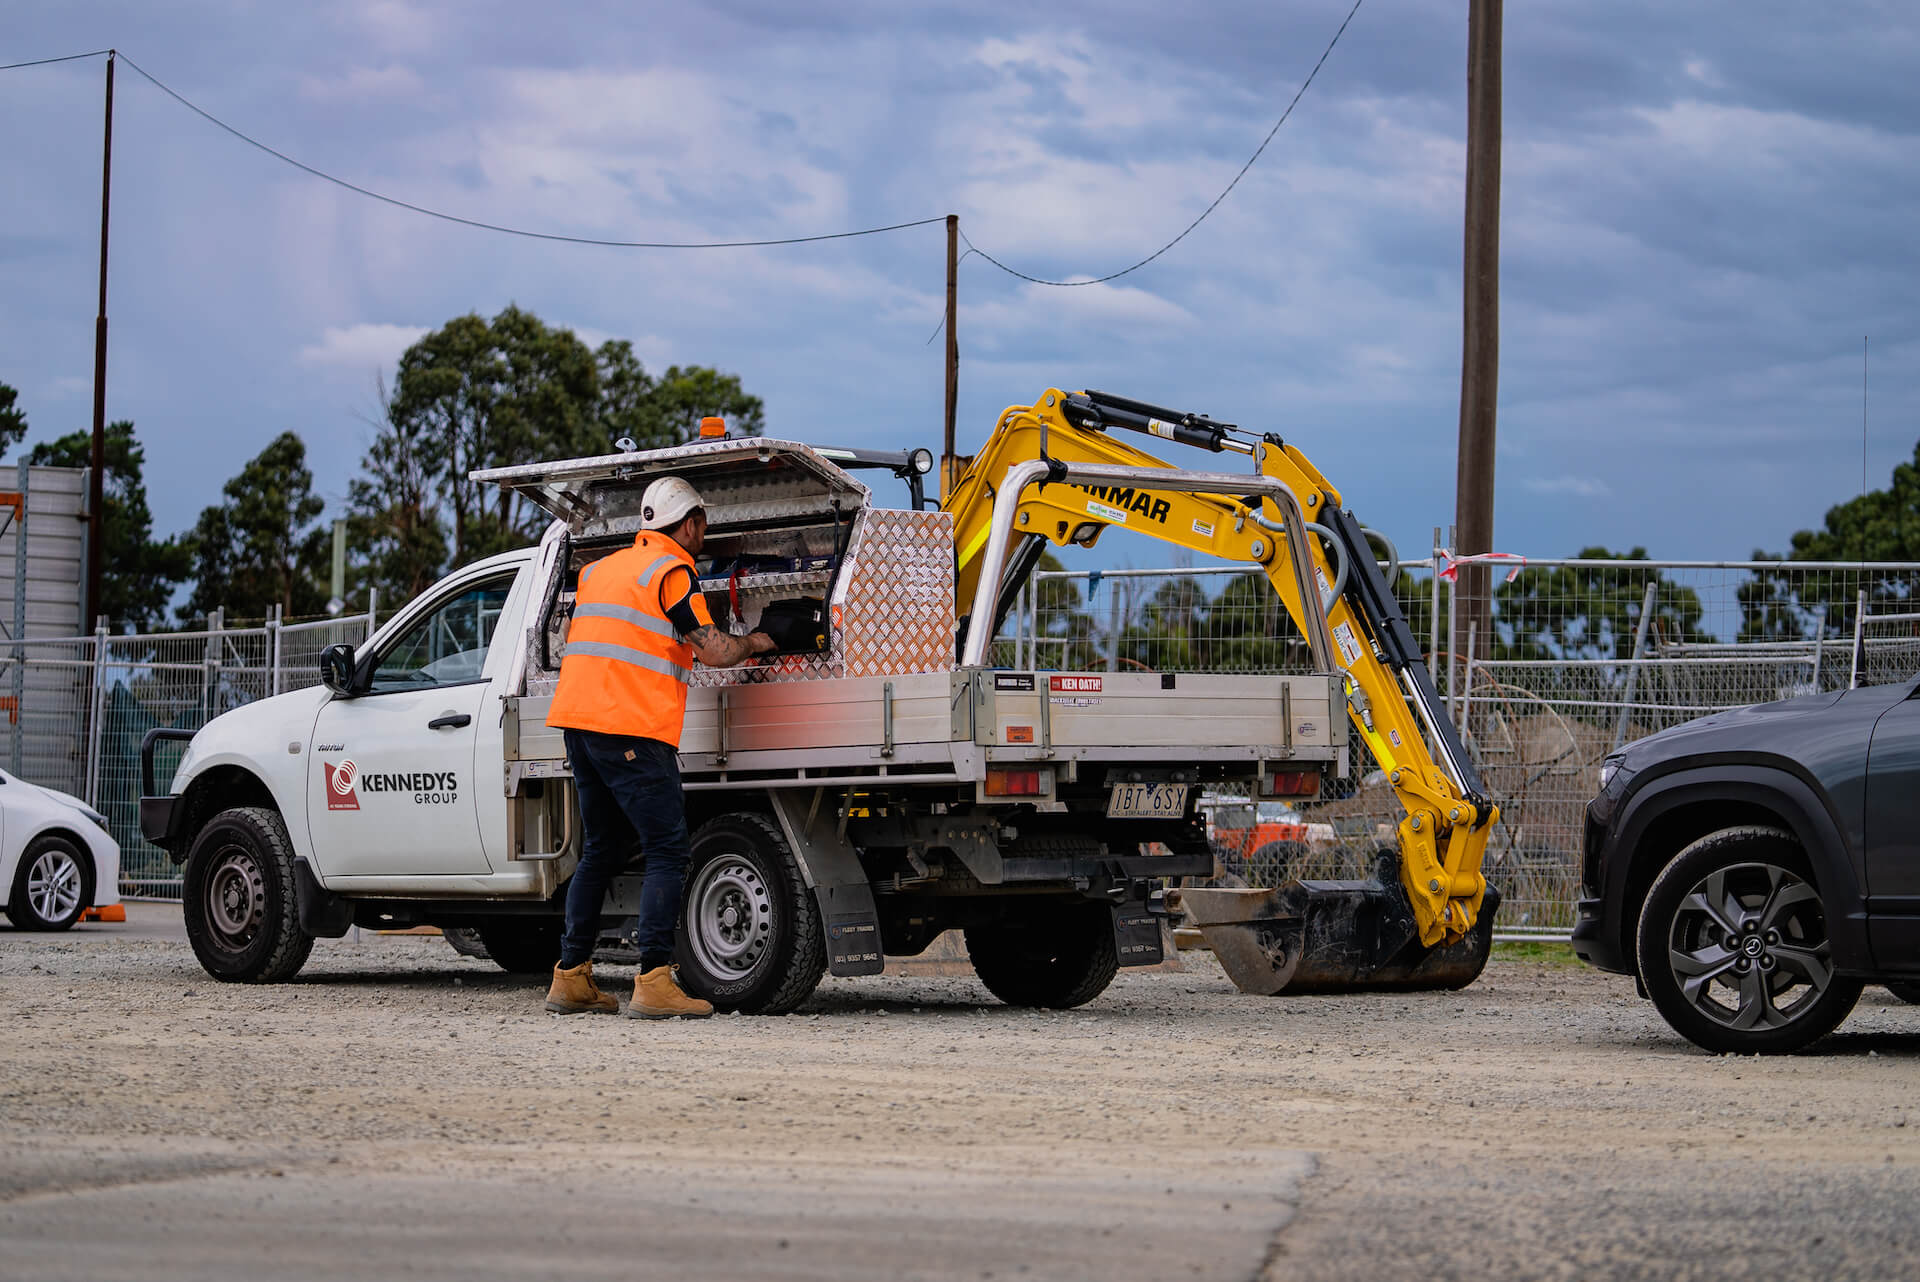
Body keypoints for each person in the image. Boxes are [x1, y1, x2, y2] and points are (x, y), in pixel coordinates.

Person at [542, 476, 776, 1019]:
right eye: (704, 524)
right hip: (632, 728)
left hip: (579, 723)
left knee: (600, 848)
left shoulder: (602, 570)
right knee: (668, 850)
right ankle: (653, 980)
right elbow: (713, 650)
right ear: (689, 523)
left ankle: (570, 977)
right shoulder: (673, 571)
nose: (705, 534)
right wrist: (757, 642)